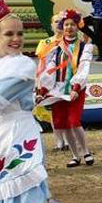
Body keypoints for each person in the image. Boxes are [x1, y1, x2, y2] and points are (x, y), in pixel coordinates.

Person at [0, 0, 76, 203]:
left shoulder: (22, 65)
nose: (16, 39)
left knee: (23, 200)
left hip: (18, 136)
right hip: (1, 137)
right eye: (9, 34)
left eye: (20, 34)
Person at [37, 9, 95, 168]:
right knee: (62, 123)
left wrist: (76, 87)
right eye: (66, 24)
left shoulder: (84, 47)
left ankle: (86, 152)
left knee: (74, 121)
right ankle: (75, 156)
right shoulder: (56, 48)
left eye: (73, 24)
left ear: (78, 26)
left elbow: (83, 68)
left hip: (75, 89)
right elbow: (50, 68)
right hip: (58, 90)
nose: (69, 27)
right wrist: (43, 89)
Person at [34, 12, 68, 151]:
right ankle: (59, 141)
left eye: (61, 21)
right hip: (49, 81)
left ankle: (68, 140)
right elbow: (42, 63)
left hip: (66, 79)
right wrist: (38, 80)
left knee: (65, 111)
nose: (58, 24)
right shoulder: (45, 43)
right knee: (53, 112)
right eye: (56, 22)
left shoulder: (71, 42)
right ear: (51, 25)